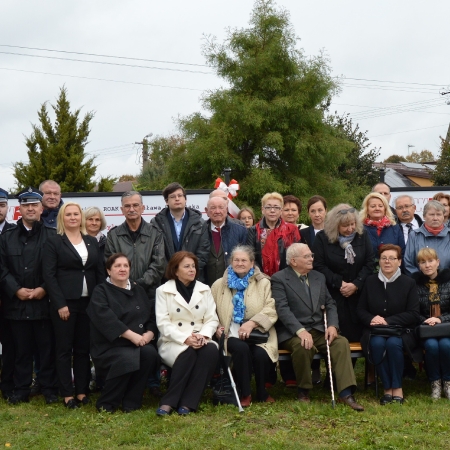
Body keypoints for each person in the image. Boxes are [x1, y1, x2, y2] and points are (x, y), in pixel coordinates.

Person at [271, 243, 364, 410]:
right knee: (303, 346)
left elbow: (330, 303)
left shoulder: (318, 277)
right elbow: (282, 309)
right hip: (293, 332)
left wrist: (333, 326)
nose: (311, 259)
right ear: (293, 261)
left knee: (341, 343)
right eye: (306, 256)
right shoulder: (279, 279)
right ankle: (304, 390)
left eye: (311, 255)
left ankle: (346, 393)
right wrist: (300, 331)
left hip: (320, 329)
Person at [43, 202, 104, 409]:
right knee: (63, 349)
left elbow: (98, 272)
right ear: (62, 218)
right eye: (68, 214)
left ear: (81, 217)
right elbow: (49, 276)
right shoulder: (54, 242)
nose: (72, 217)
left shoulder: (91, 241)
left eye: (76, 214)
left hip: (88, 304)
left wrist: (99, 301)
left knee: (82, 349)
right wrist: (60, 303)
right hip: (64, 305)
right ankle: (67, 394)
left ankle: (81, 391)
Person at [0, 187, 58, 405]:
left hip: (44, 303)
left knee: (46, 349)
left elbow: (56, 268)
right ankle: (21, 388)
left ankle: (49, 388)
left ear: (42, 208)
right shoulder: (6, 238)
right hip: (17, 304)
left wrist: (44, 288)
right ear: (19, 209)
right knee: (20, 351)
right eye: (26, 205)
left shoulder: (53, 236)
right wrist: (15, 290)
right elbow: (2, 268)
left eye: (35, 205)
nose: (31, 209)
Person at [87, 253, 159, 412]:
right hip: (109, 345)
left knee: (149, 354)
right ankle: (107, 403)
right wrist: (132, 336)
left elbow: (150, 317)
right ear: (108, 270)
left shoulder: (138, 290)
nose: (122, 269)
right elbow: (106, 319)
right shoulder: (101, 291)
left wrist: (149, 334)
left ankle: (132, 401)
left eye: (125, 266)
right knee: (128, 357)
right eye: (117, 266)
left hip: (137, 342)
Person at [212, 245, 278, 406]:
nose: (240, 263)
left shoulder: (263, 283)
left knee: (261, 354)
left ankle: (262, 392)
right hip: (230, 333)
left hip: (258, 332)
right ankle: (245, 393)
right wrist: (216, 327)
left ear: (252, 263)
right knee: (241, 350)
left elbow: (271, 308)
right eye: (236, 260)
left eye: (244, 260)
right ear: (231, 262)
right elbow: (209, 311)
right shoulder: (219, 284)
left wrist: (252, 323)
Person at [155, 251, 219, 415]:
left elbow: (212, 319)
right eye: (187, 267)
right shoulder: (163, 290)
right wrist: (185, 338)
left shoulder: (204, 289)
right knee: (188, 353)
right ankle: (169, 401)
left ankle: (188, 402)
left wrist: (203, 335)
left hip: (199, 337)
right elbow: (163, 323)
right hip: (173, 341)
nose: (192, 270)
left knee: (211, 351)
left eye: (193, 266)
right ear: (175, 270)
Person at [357, 244, 421, 405]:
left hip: (401, 331)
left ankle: (397, 387)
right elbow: (360, 309)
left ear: (399, 262)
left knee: (393, 344)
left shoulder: (408, 282)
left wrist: (388, 321)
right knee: (377, 344)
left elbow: (413, 313)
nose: (387, 262)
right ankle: (387, 388)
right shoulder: (370, 281)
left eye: (392, 258)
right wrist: (372, 318)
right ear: (379, 261)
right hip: (374, 330)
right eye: (384, 258)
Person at [312, 204, 374, 343]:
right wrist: (339, 283)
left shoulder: (362, 236)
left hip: (358, 294)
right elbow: (318, 265)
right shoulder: (323, 238)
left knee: (356, 337)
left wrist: (356, 284)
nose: (350, 229)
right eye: (345, 226)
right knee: (337, 337)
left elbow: (369, 263)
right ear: (335, 225)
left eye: (352, 224)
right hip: (333, 294)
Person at [104, 191, 165, 300]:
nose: (131, 209)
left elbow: (159, 264)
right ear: (122, 210)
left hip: (150, 295)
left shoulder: (156, 233)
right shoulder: (113, 235)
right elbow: (111, 264)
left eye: (135, 205)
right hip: (121, 293)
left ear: (142, 208)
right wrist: (127, 285)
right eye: (127, 206)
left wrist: (139, 284)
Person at [152, 182, 209, 281]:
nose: (177, 199)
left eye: (180, 195)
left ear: (185, 199)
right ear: (166, 201)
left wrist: (188, 271)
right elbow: (157, 253)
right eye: (172, 196)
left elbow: (203, 252)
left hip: (193, 279)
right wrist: (172, 272)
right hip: (167, 279)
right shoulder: (156, 223)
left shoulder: (200, 223)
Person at [413, 248, 450, 399]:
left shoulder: (448, 282)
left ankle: (447, 382)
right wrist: (426, 320)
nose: (427, 265)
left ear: (438, 262)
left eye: (430, 261)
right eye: (423, 262)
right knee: (432, 346)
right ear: (419, 266)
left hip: (446, 328)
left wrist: (440, 319)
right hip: (425, 329)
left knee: (446, 345)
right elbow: (412, 311)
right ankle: (435, 383)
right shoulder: (414, 285)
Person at [247, 192, 300, 277]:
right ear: (262, 209)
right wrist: (261, 276)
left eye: (276, 207)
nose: (272, 210)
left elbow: (297, 256)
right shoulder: (253, 231)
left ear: (281, 210)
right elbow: (250, 257)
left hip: (287, 277)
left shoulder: (292, 230)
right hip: (259, 277)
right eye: (268, 207)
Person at [204, 196, 247, 287]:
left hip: (233, 285)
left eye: (221, 207)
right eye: (213, 208)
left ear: (227, 210)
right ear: (207, 211)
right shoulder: (199, 230)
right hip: (205, 286)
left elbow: (247, 259)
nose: (217, 211)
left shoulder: (240, 230)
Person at [0, 188, 16, 400]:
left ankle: (8, 384)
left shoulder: (15, 232)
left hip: (10, 300)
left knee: (11, 344)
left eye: (2, 205)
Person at [405, 200, 450, 275]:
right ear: (424, 216)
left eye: (438, 214)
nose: (435, 218)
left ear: (443, 216)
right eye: (431, 214)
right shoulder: (414, 235)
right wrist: (421, 279)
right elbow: (408, 263)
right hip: (420, 283)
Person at [360, 192, 405, 265]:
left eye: (380, 206)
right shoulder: (360, 229)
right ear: (367, 209)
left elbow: (402, 252)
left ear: (385, 209)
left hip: (391, 272)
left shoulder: (395, 228)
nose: (377, 208)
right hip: (367, 273)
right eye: (373, 206)